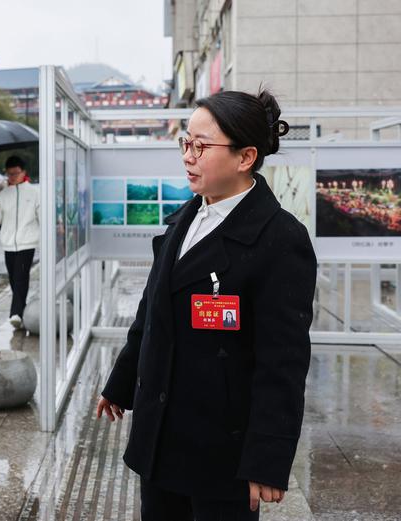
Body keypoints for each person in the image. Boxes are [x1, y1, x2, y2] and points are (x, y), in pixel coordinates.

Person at [96, 89, 317, 520]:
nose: (188, 156)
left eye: (201, 146)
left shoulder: (280, 240)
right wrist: (121, 382)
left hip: (222, 450)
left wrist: (267, 457)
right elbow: (152, 314)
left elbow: (283, 362)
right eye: (185, 142)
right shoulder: (187, 216)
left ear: (245, 156)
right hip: (160, 436)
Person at [0, 156, 40, 328]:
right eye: (9, 174)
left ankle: (16, 313)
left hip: (27, 244)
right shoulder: (2, 194)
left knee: (21, 278)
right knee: (13, 279)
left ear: (23, 172)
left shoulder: (35, 193)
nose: (12, 177)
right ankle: (21, 313)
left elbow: (43, 218)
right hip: (8, 245)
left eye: (15, 173)